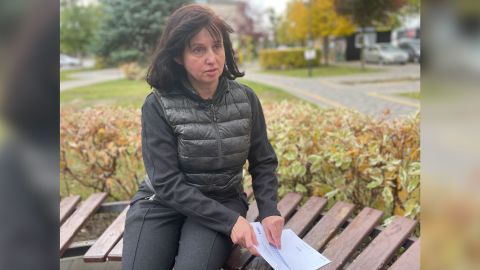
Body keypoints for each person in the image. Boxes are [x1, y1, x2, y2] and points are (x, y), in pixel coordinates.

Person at [122, 4, 284, 270]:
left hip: (222, 199)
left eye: (217, 46)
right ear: (177, 56)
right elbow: (166, 183)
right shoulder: (157, 105)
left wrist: (269, 212)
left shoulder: (246, 99)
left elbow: (263, 161)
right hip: (161, 204)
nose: (212, 58)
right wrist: (232, 222)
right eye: (198, 49)